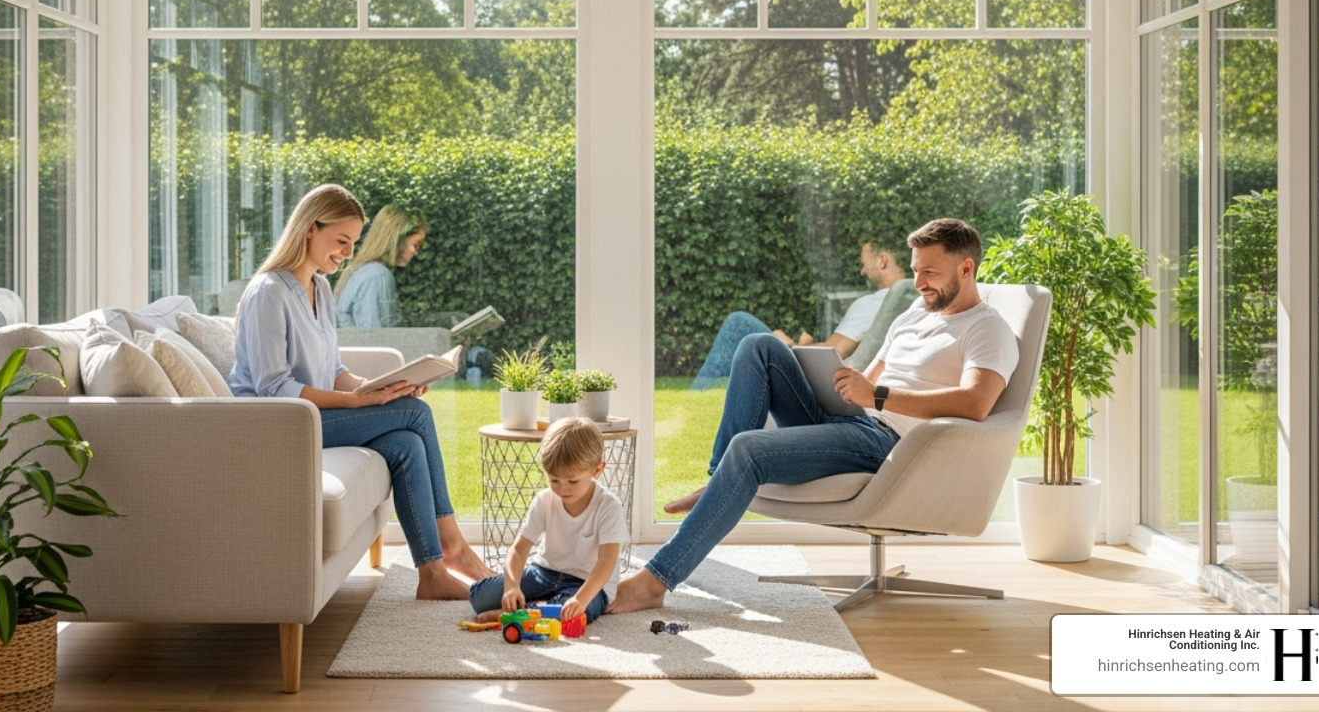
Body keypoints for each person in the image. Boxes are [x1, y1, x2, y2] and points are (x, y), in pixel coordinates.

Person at [609, 218, 1019, 614]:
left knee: (748, 451)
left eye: (930, 272)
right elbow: (867, 377)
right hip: (853, 421)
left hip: (890, 444)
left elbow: (975, 403)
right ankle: (721, 480)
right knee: (759, 346)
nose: (919, 283)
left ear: (966, 268)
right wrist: (836, 379)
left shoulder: (986, 328)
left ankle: (655, 581)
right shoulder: (913, 313)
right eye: (915, 271)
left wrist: (875, 396)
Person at [228, 185, 491, 600]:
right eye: (342, 241)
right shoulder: (268, 292)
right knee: (416, 414)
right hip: (275, 426)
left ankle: (432, 572)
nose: (348, 253)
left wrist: (377, 387)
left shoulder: (320, 288)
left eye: (353, 242)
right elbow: (273, 387)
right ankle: (453, 547)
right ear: (311, 229)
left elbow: (333, 371)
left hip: (309, 418)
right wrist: (356, 402)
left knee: (404, 439)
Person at [688, 241, 909, 391]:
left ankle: (696, 396)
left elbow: (835, 352)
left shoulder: (873, 302)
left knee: (738, 323)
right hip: (845, 379)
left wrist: (791, 345)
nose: (862, 272)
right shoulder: (911, 300)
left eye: (864, 264)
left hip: (821, 383)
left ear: (882, 260)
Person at [470, 417, 629, 626]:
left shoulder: (608, 506)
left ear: (596, 470)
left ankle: (520, 613)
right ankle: (534, 608)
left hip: (586, 583)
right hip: (544, 573)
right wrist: (512, 586)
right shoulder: (545, 500)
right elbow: (519, 549)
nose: (563, 488)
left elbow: (606, 562)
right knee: (479, 596)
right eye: (554, 480)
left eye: (572, 481)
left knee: (573, 613)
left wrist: (580, 599)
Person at [335, 205, 427, 328]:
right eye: (416, 244)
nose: (416, 252)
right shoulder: (377, 275)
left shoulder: (361, 271)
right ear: (397, 239)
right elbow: (378, 337)